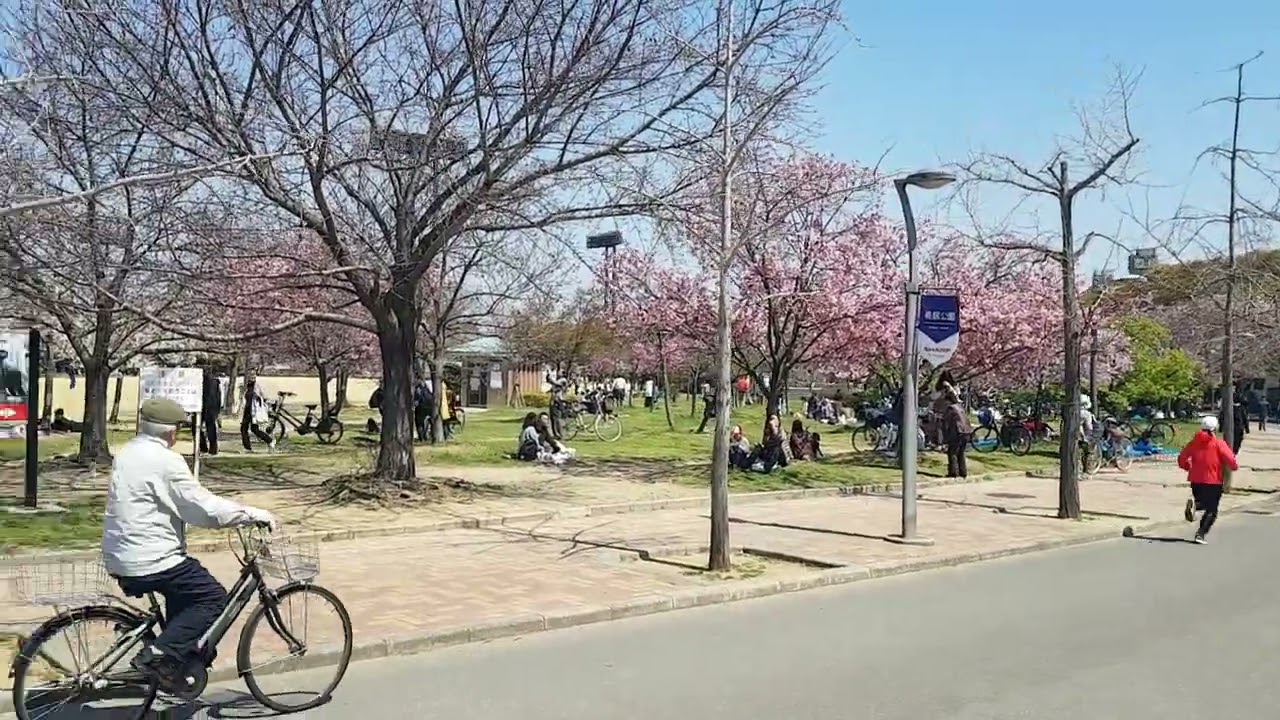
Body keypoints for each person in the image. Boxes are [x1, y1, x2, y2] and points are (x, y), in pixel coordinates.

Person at [103, 398, 277, 692]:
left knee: (185, 599)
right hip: (151, 558)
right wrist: (250, 515)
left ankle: (176, 667)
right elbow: (202, 509)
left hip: (122, 552)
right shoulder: (166, 461)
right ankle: (158, 655)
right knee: (212, 598)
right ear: (170, 431)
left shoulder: (127, 452)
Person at [1179, 415, 1239, 544]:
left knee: (1202, 503)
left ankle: (1196, 505)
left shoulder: (1194, 442)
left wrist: (1187, 466)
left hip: (1195, 479)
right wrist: (1234, 467)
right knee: (1212, 510)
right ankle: (1200, 534)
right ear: (1214, 429)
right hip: (1213, 480)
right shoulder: (1218, 443)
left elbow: (1182, 457)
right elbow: (1230, 459)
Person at [940, 388, 972, 479]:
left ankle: (953, 472)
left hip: (958, 432)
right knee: (961, 452)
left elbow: (945, 422)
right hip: (966, 431)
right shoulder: (960, 407)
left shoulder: (951, 409)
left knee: (952, 452)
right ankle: (963, 472)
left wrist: (945, 436)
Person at [239, 376, 274, 452]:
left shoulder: (256, 386)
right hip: (247, 410)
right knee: (252, 429)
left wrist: (259, 395)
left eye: (253, 376)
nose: (251, 378)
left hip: (252, 411)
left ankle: (268, 441)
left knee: (248, 429)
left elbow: (262, 396)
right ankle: (269, 441)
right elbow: (245, 399)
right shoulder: (249, 386)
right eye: (250, 376)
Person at [197, 368, 221, 456]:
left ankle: (207, 448)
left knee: (205, 428)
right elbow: (218, 396)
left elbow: (217, 396)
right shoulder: (214, 381)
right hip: (208, 407)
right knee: (210, 428)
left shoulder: (209, 381)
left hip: (205, 407)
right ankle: (210, 448)